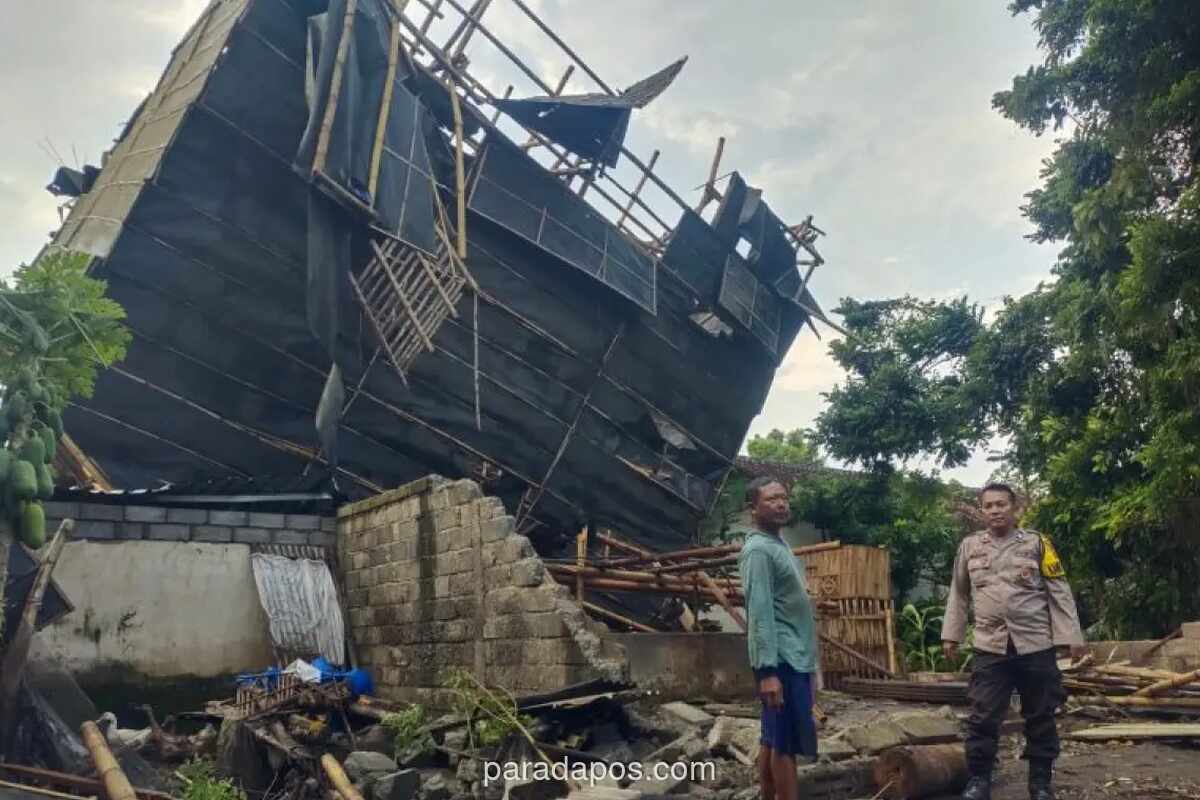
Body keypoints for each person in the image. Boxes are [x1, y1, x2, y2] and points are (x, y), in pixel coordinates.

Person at [942, 483, 1087, 800]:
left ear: (1015, 507)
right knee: (982, 716)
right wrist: (951, 635)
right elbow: (959, 592)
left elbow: (1058, 590)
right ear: (982, 511)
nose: (995, 510)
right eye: (989, 505)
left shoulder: (1038, 543)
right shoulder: (970, 547)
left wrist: (1071, 638)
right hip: (989, 646)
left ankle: (1039, 783)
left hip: (1035, 645)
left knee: (1041, 714)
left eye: (1001, 504)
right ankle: (979, 780)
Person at [737, 477, 819, 800]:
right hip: (781, 661)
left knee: (772, 738)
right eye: (772, 499)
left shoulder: (779, 545)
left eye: (784, 497)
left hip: (794, 657)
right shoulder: (758, 551)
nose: (781, 503)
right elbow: (759, 614)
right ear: (752, 508)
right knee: (785, 743)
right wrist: (767, 672)